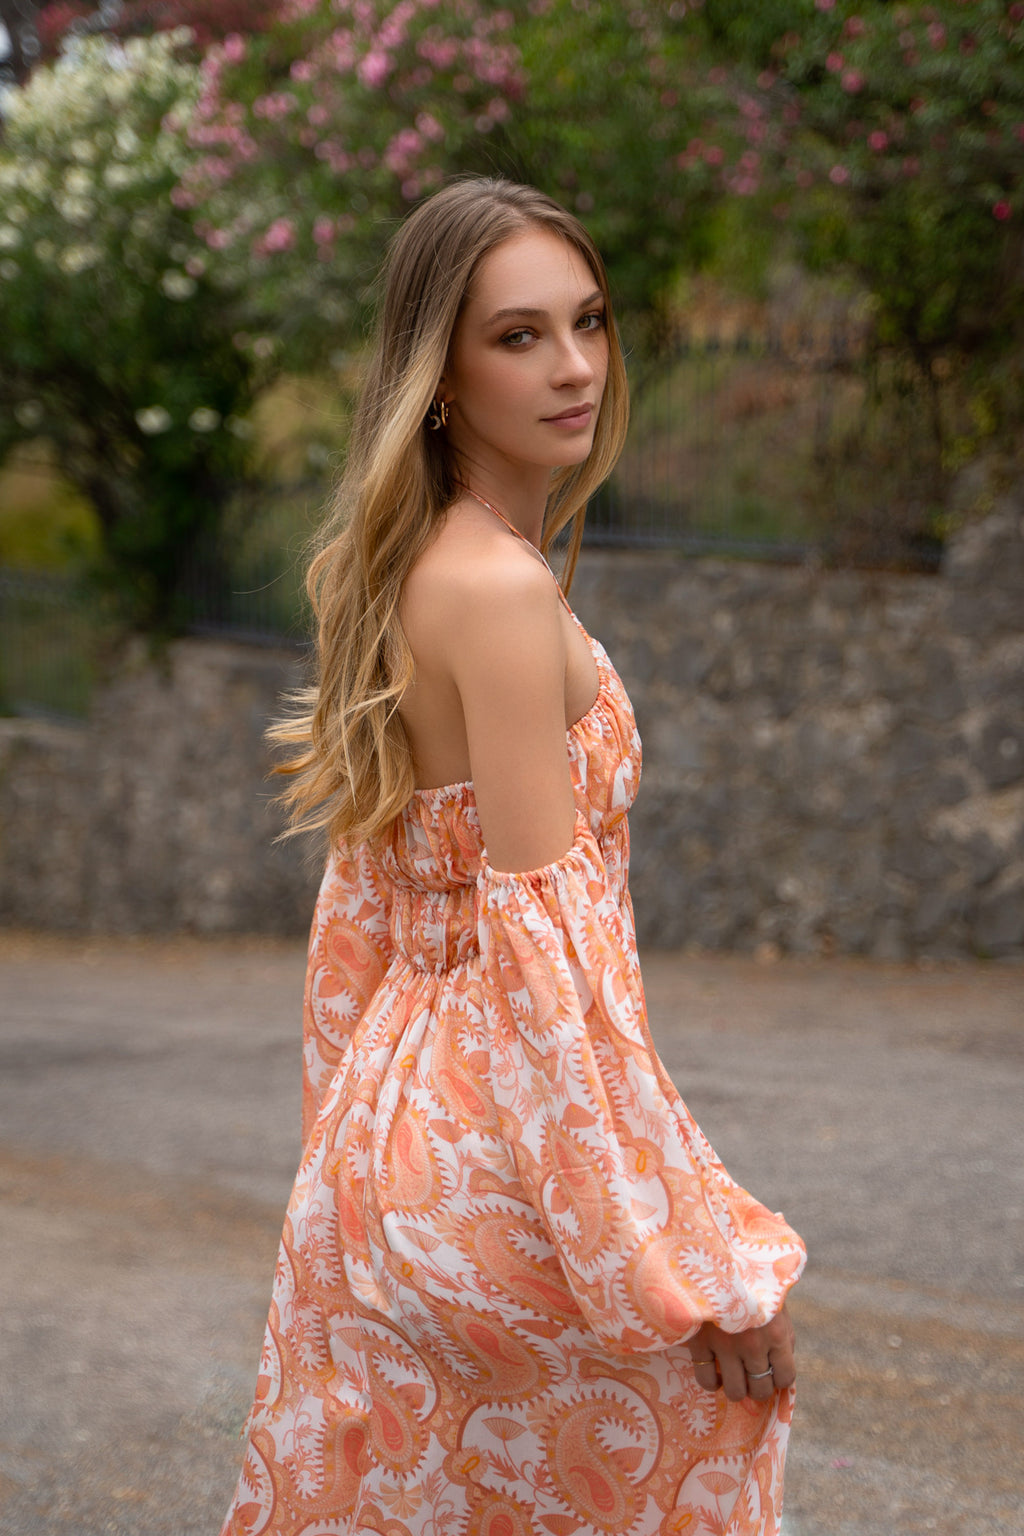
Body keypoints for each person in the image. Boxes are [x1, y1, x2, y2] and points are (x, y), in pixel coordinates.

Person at [220, 178, 805, 1536]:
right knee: (678, 1468)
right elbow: (558, 967)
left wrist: (340, 1175)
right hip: (496, 1153)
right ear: (438, 374)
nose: (577, 366)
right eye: (520, 336)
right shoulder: (496, 589)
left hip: (408, 1144)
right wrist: (685, 1262)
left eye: (587, 322)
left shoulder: (425, 568)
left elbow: (364, 906)